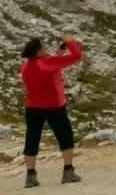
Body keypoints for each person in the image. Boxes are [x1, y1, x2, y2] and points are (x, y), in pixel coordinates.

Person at [21, 36, 84, 188]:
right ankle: (68, 172)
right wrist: (69, 42)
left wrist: (59, 54)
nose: (46, 49)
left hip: (32, 107)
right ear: (37, 52)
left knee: (32, 138)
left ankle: (30, 176)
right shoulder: (48, 62)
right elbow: (76, 56)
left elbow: (47, 65)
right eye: (43, 48)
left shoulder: (24, 65)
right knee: (65, 136)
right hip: (54, 106)